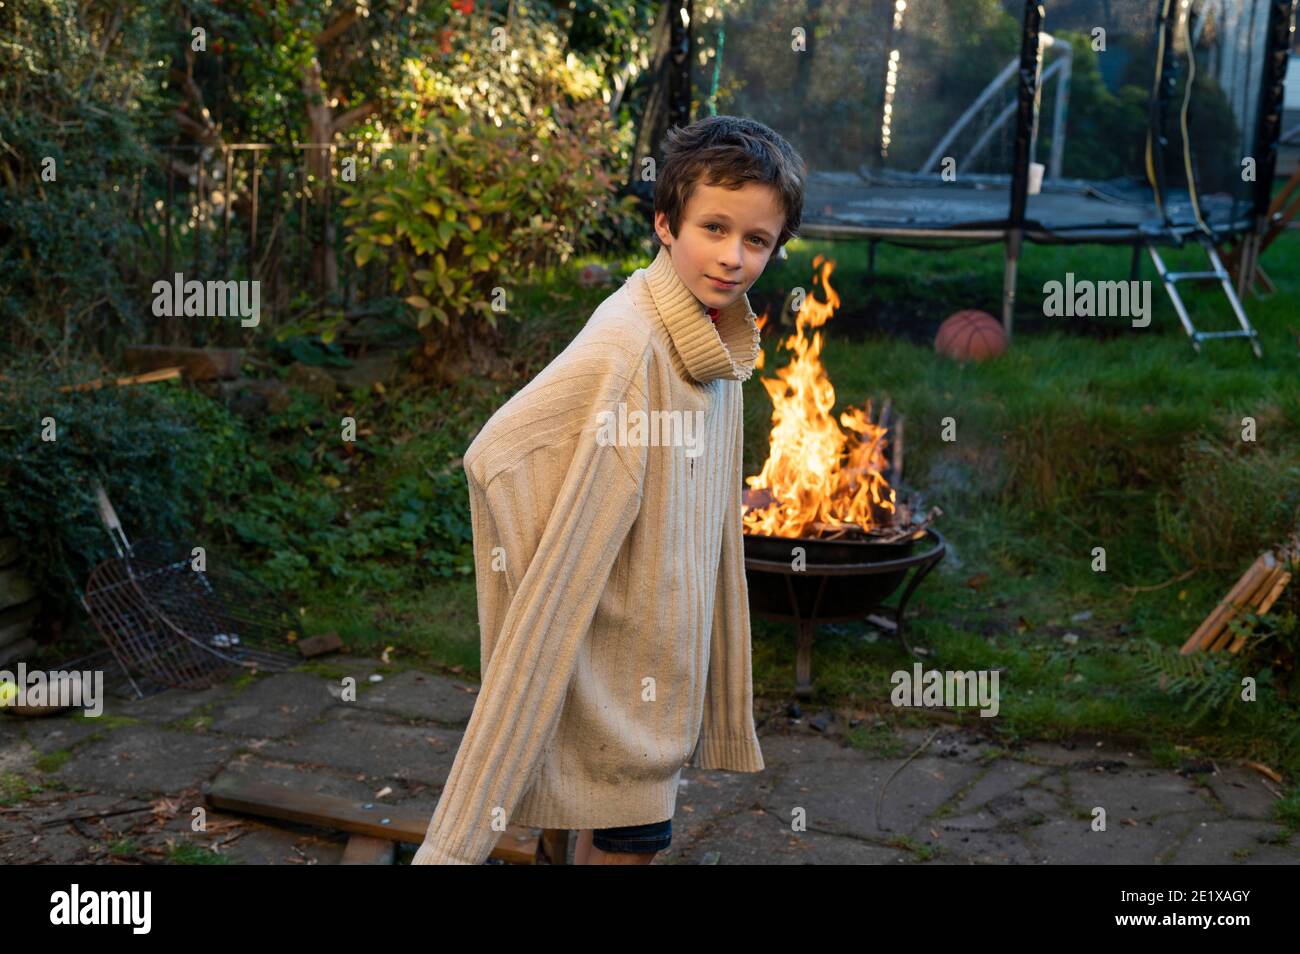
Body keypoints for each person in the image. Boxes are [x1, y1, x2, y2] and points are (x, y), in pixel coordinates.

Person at [412, 115, 807, 865]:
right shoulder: (631, 348)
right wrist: (553, 554)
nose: (732, 257)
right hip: (623, 679)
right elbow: (498, 452)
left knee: (608, 833)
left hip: (657, 665)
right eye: (713, 228)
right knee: (631, 841)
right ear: (665, 222)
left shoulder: (709, 334)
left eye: (756, 240)